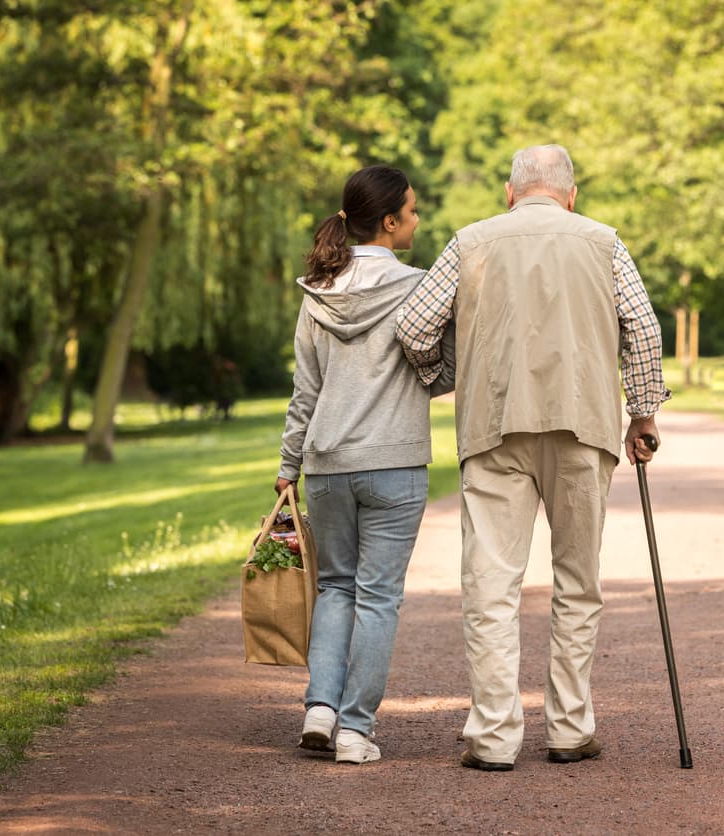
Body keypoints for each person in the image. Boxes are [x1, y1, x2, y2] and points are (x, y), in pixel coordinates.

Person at [396, 144, 669, 771]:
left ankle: (493, 737)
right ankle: (570, 729)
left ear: (509, 192)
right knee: (578, 582)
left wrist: (444, 374)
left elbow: (413, 326)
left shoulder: (470, 241)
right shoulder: (603, 242)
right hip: (584, 426)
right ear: (571, 195)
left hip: (494, 427)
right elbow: (645, 329)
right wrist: (644, 412)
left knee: (491, 585)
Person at [275, 164, 452, 765]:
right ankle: (355, 730)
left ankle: (320, 709)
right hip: (395, 464)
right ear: (390, 221)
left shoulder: (316, 292)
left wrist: (288, 465)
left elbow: (306, 391)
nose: (418, 218)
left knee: (334, 589)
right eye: (413, 209)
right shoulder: (420, 288)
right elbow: (443, 372)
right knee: (378, 597)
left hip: (325, 464)